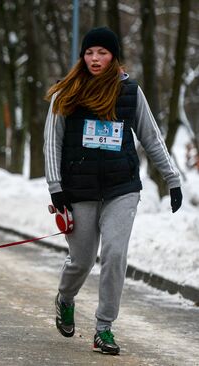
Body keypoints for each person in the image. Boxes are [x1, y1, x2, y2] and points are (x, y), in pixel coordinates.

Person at [43, 27, 183, 355]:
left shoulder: (129, 91)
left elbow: (151, 136)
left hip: (122, 188)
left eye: (102, 53)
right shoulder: (67, 93)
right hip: (79, 190)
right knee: (81, 260)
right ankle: (65, 298)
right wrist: (56, 189)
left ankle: (104, 328)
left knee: (115, 255)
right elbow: (52, 141)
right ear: (83, 56)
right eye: (90, 52)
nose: (95, 59)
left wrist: (172, 178)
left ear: (113, 56)